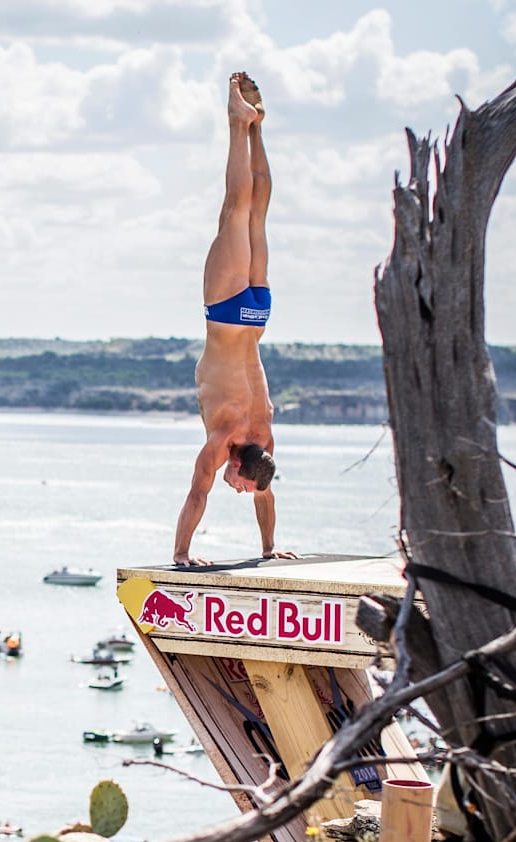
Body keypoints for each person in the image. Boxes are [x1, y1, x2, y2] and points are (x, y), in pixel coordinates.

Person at [173, 72, 297, 567]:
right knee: (236, 210)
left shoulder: (263, 440)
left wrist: (269, 550)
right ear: (241, 465)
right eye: (243, 487)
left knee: (257, 214)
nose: (242, 492)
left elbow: (266, 493)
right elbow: (197, 496)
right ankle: (236, 123)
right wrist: (181, 556)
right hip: (226, 315)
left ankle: (258, 128)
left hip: (256, 315)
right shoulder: (225, 441)